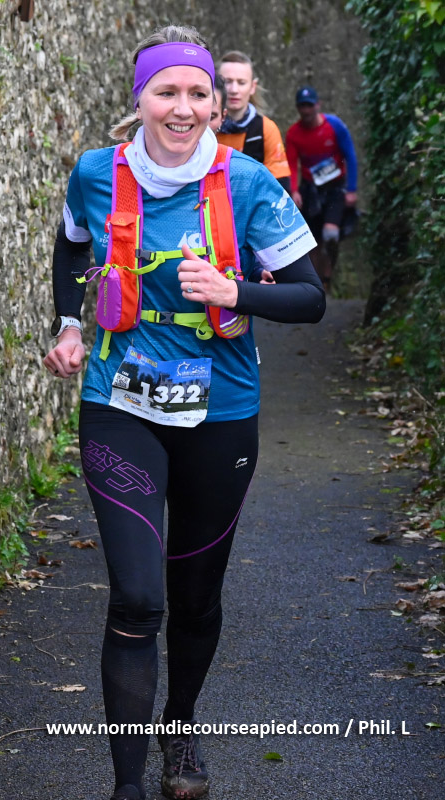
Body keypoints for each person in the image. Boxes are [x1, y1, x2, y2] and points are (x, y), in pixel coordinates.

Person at [43, 24, 325, 800]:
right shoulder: (96, 174)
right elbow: (71, 246)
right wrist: (69, 324)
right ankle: (127, 786)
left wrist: (236, 291)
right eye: (166, 91)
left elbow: (310, 297)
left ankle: (181, 724)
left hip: (220, 412)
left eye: (199, 93)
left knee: (196, 600)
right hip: (120, 402)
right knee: (138, 599)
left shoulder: (249, 184)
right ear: (138, 99)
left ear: (217, 101)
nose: (184, 107)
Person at [285, 86, 358, 290]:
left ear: (318, 105)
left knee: (330, 235)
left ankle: (328, 275)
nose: (306, 110)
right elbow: (291, 164)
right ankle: (316, 283)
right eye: (302, 106)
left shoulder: (335, 126)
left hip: (335, 189)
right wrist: (294, 190)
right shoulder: (294, 134)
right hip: (311, 191)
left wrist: (351, 189)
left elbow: (350, 156)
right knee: (311, 240)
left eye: (309, 105)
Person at [216, 50, 291, 191]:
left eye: (241, 83)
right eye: (227, 82)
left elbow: (280, 188)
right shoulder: (204, 127)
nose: (234, 90)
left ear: (252, 87)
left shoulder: (266, 129)